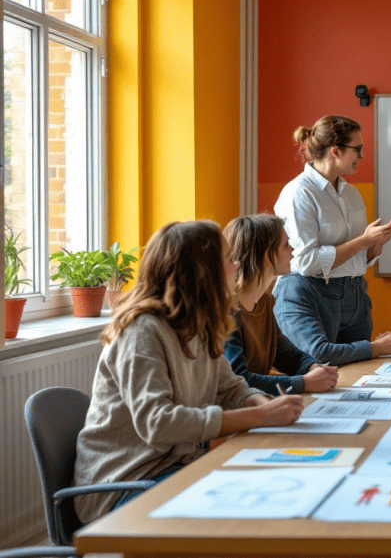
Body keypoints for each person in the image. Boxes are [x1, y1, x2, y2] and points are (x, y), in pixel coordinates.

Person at [73, 220, 305, 524]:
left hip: (177, 466)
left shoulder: (199, 324)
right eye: (228, 259)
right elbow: (158, 423)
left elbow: (231, 387)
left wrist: (262, 404)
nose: (237, 266)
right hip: (125, 485)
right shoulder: (141, 332)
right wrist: (259, 417)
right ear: (202, 271)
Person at [273, 114, 391, 364]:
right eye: (357, 149)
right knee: (321, 367)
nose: (361, 156)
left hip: (354, 294)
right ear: (335, 151)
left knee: (359, 371)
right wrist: (363, 241)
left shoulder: (351, 194)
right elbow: (306, 263)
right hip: (313, 293)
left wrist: (374, 246)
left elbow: (355, 256)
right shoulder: (299, 193)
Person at [223, 213, 339, 395]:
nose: (292, 249)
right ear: (267, 256)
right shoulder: (226, 310)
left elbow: (287, 355)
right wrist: (303, 383)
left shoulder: (264, 300)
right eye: (286, 245)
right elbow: (240, 379)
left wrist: (314, 368)